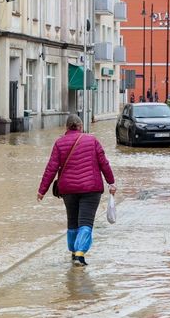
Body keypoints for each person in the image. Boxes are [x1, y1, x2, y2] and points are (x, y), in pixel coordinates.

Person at [37, 114, 116, 266]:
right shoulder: (92, 141)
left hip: (68, 189)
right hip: (91, 188)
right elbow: (103, 163)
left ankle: (74, 253)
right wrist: (111, 182)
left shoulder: (59, 143)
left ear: (66, 127)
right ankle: (80, 254)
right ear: (80, 126)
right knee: (86, 222)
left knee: (72, 221)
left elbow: (51, 168)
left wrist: (42, 190)